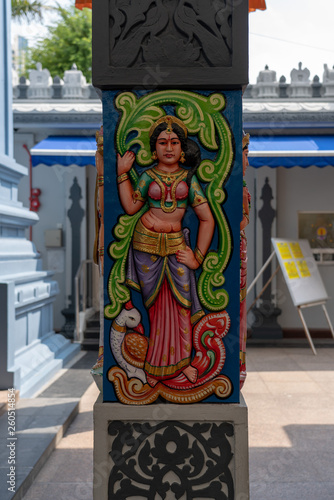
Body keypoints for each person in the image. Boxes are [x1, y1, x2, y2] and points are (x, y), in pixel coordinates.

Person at [117, 115, 215, 387]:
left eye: (174, 142)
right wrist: (122, 172)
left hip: (176, 248)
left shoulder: (189, 179)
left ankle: (181, 365)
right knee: (157, 309)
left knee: (182, 306)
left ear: (183, 149)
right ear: (153, 148)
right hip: (146, 246)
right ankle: (156, 368)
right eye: (162, 142)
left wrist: (197, 256)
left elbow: (207, 218)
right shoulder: (148, 177)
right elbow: (131, 207)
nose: (168, 148)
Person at [240, 132, 251, 389]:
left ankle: (237, 362)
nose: (246, 161)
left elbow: (243, 221)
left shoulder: (241, 189)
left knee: (239, 308)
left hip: (237, 252)